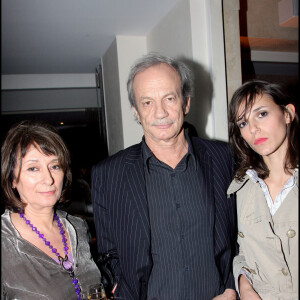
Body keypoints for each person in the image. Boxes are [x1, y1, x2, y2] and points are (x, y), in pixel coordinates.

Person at [92, 54, 237, 300]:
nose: (160, 112)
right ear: (136, 111)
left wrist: (231, 288)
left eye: (169, 98)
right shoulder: (108, 174)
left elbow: (239, 234)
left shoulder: (224, 157)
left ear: (186, 103)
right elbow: (108, 252)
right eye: (147, 102)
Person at [1, 120, 102, 300]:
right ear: (12, 179)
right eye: (33, 168)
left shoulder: (77, 228)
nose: (48, 179)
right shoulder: (5, 242)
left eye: (55, 166)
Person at [227, 80, 298, 299]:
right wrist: (245, 286)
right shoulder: (241, 188)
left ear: (287, 114)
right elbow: (242, 251)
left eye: (262, 114)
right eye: (242, 123)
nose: (253, 129)